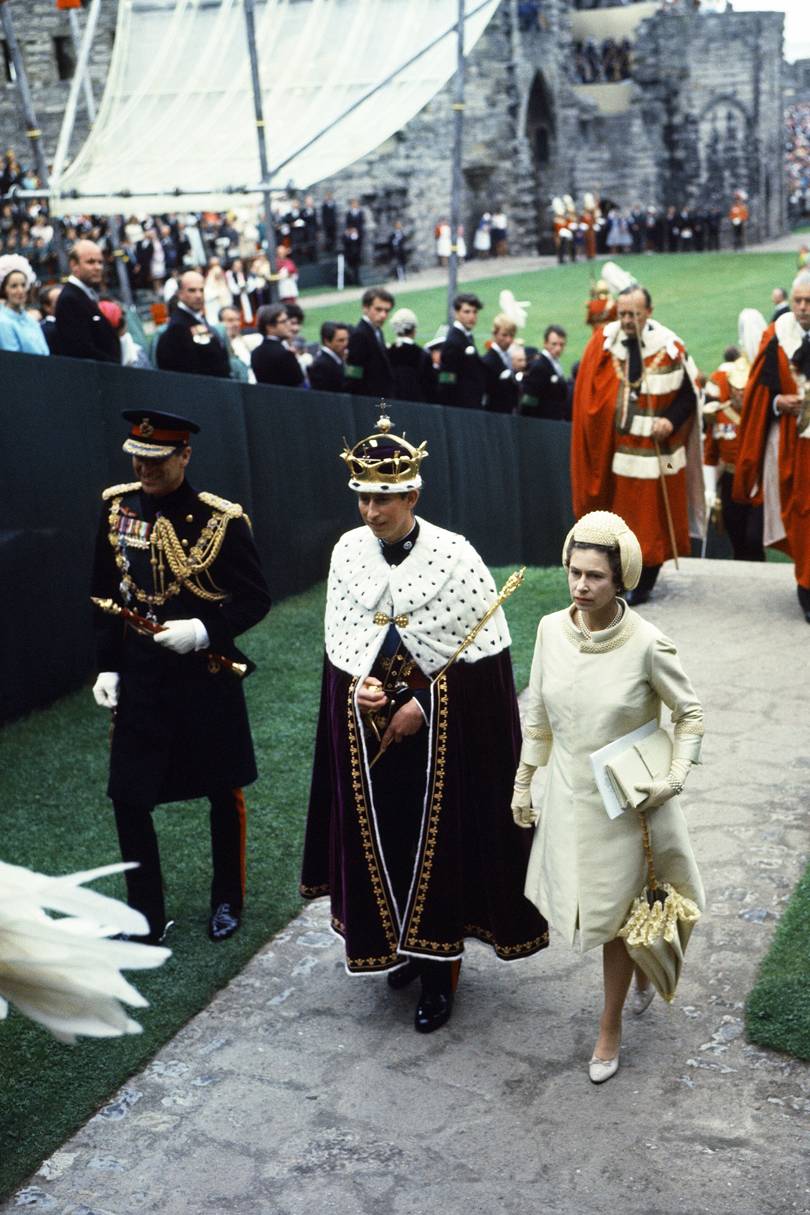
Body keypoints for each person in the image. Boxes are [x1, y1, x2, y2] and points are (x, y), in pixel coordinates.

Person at [300, 408, 548, 1033]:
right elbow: (341, 649)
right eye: (362, 497)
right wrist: (356, 691)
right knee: (379, 840)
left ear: (413, 492)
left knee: (434, 845)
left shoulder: (455, 556)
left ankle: (440, 968)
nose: (370, 512)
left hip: (438, 742)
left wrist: (425, 705)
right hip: (370, 734)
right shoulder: (348, 552)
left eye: (383, 498)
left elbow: (485, 668)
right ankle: (397, 949)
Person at [512, 511, 704, 1083]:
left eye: (595, 576)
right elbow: (539, 717)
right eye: (575, 572)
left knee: (617, 918)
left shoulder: (648, 644)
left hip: (628, 805)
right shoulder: (549, 629)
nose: (581, 586)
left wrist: (674, 778)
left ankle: (609, 1027)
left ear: (621, 580)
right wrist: (525, 779)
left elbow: (689, 713)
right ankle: (641, 973)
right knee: (591, 911)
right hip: (572, 798)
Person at [91, 410, 272, 944]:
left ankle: (227, 900)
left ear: (184, 455)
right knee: (128, 796)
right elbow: (104, 592)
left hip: (203, 676)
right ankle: (145, 917)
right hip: (142, 674)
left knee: (223, 789)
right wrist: (107, 663)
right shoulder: (116, 506)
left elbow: (255, 598)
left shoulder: (220, 519)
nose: (144, 467)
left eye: (156, 459)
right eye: (138, 457)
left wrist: (203, 630)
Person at [571, 285, 703, 604]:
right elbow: (588, 398)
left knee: (655, 516)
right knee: (624, 518)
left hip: (664, 454)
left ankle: (645, 581)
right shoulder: (604, 344)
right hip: (619, 455)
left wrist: (670, 420)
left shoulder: (669, 346)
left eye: (634, 314)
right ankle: (625, 577)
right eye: (623, 314)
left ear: (649, 313)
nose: (628, 320)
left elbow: (690, 395)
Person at [734, 271, 810, 621]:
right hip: (791, 444)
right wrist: (780, 401)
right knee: (799, 512)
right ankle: (806, 587)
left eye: (808, 301)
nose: (803, 308)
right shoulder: (777, 336)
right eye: (797, 301)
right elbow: (759, 394)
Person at [703, 321, 765, 562]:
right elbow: (711, 453)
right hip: (729, 480)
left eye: (744, 389)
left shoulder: (761, 413)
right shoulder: (719, 413)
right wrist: (710, 489)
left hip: (756, 481)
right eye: (735, 389)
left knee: (754, 536)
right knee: (737, 537)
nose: (740, 394)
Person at [53, 239, 121, 363]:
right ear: (74, 265)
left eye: (100, 262)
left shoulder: (83, 294)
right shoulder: (70, 300)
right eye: (91, 262)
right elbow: (81, 351)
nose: (98, 267)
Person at [155, 270, 231, 377]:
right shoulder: (178, 327)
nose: (198, 295)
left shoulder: (197, 317)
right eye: (192, 290)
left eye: (201, 290)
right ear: (180, 294)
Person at [437, 292, 486, 408]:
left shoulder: (467, 336)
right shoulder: (454, 341)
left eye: (475, 312)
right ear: (456, 313)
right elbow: (447, 381)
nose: (472, 316)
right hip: (461, 406)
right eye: (467, 312)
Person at [345, 287, 394, 398]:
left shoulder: (377, 331)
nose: (383, 315)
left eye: (387, 311)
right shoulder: (360, 335)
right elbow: (354, 374)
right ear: (365, 308)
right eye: (378, 309)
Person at [0, 254, 49, 355]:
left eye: (23, 285)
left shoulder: (30, 319)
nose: (20, 290)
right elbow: (15, 359)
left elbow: (45, 352)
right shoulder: (3, 322)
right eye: (14, 286)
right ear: (5, 290)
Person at [520, 325, 570, 420]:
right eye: (554, 344)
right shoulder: (539, 366)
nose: (558, 348)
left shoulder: (554, 363)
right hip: (541, 423)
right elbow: (529, 401)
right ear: (545, 343)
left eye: (562, 344)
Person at [387, 307, 436, 404]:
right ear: (414, 330)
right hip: (417, 406)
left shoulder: (387, 352)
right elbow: (429, 386)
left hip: (392, 404)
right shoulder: (422, 354)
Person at [250, 304, 305, 387]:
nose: (289, 325)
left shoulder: (255, 353)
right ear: (269, 327)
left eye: (288, 320)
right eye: (283, 322)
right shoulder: (285, 354)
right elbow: (299, 381)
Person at [481, 313, 519, 414]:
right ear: (495, 334)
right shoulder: (487, 361)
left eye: (512, 335)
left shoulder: (509, 357)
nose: (508, 340)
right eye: (504, 335)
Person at [308, 321, 349, 392]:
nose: (346, 344)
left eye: (347, 339)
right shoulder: (322, 365)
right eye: (341, 340)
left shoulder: (337, 359)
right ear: (327, 341)